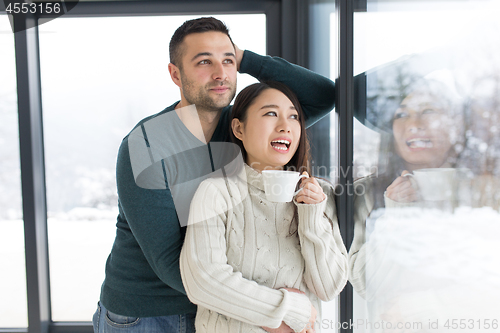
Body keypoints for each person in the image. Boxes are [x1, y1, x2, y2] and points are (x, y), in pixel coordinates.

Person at [92, 17, 336, 333]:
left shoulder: (242, 127)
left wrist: (247, 58)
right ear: (175, 74)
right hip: (148, 315)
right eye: (204, 61)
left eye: (228, 61)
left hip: (221, 308)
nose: (221, 73)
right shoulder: (147, 145)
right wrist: (264, 309)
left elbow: (322, 96)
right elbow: (169, 261)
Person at [180, 81, 348, 333]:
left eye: (294, 117)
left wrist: (311, 216)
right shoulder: (216, 191)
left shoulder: (318, 194)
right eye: (271, 113)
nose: (285, 126)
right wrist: (291, 309)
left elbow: (329, 287)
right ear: (238, 128)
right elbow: (203, 281)